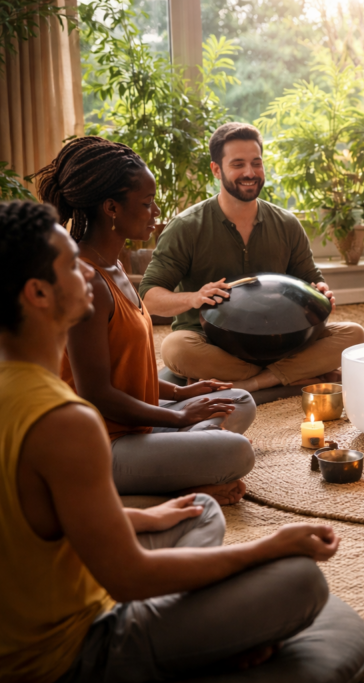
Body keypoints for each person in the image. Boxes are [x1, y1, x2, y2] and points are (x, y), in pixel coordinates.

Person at [0, 201, 343, 683]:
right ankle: (197, 643)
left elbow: (23, 516)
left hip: (10, 631)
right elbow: (129, 579)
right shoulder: (66, 420)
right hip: (66, 656)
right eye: (70, 264)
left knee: (198, 511)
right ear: (39, 292)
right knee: (301, 582)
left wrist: (145, 515)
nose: (87, 270)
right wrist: (269, 546)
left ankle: (195, 631)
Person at [33, 136, 255, 505]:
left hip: (136, 424)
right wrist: (182, 419)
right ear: (111, 208)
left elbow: (127, 372)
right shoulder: (85, 280)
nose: (156, 213)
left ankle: (170, 470)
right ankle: (154, 490)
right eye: (147, 204)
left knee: (239, 400)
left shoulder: (114, 265)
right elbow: (97, 394)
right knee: (237, 454)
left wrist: (182, 394)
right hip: (102, 444)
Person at [140, 122, 364, 393]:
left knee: (354, 333)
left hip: (283, 339)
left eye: (256, 163)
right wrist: (194, 297)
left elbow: (313, 282)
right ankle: (297, 374)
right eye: (238, 164)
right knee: (174, 348)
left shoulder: (287, 223)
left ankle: (253, 382)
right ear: (216, 169)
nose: (250, 173)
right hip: (212, 341)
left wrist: (321, 294)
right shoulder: (187, 226)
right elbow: (148, 297)